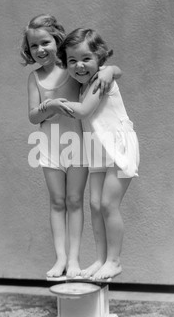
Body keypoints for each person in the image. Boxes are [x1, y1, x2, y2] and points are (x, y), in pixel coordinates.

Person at [21, 15, 122, 278]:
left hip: (77, 144)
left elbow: (105, 70)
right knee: (57, 201)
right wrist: (49, 106)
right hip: (50, 145)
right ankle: (61, 259)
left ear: (57, 41)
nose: (41, 50)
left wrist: (111, 70)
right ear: (29, 50)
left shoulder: (73, 69)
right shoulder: (35, 78)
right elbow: (33, 117)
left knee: (75, 200)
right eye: (34, 46)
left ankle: (75, 260)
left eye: (45, 42)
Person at [56, 28, 140, 280]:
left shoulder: (102, 80)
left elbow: (83, 111)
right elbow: (115, 69)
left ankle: (114, 261)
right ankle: (101, 259)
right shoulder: (87, 83)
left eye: (86, 59)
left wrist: (54, 104)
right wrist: (111, 68)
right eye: (72, 61)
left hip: (117, 147)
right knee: (94, 205)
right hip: (98, 149)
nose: (79, 65)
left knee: (107, 204)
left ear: (99, 58)